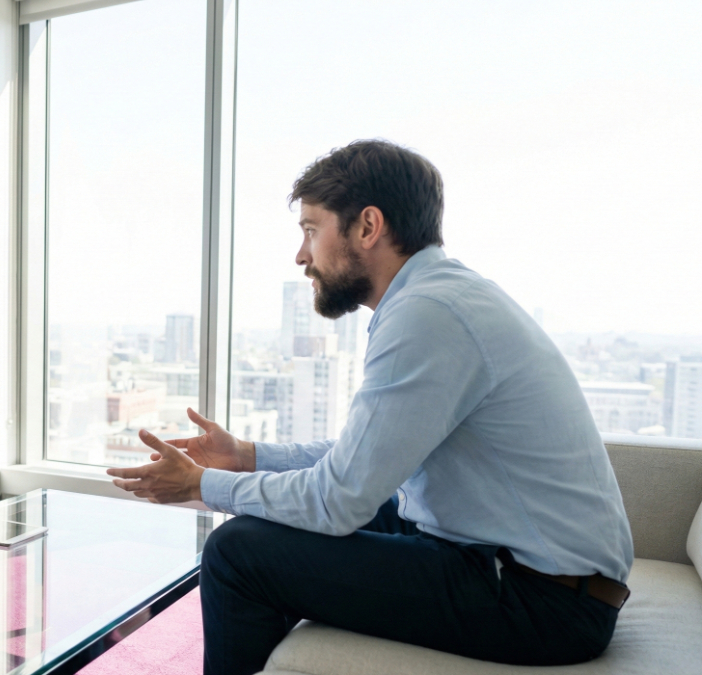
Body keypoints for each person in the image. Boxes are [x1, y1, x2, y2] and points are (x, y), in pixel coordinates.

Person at [107, 140, 634, 675]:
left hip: (544, 604)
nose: (301, 255)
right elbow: (363, 458)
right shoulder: (436, 297)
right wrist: (247, 455)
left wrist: (200, 485)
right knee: (300, 525)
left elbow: (337, 500)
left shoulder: (427, 314)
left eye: (311, 230)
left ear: (367, 227)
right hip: (506, 560)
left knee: (237, 551)